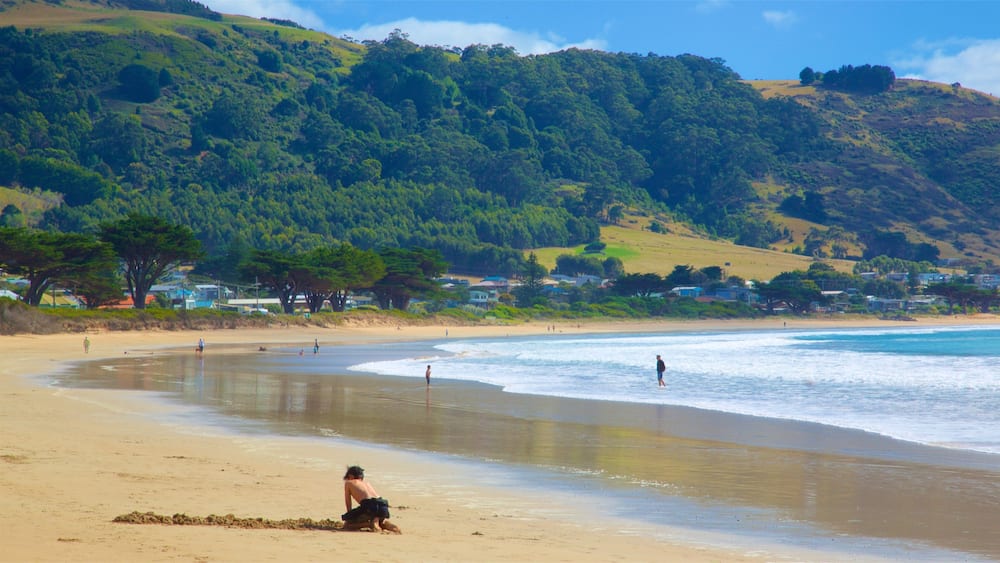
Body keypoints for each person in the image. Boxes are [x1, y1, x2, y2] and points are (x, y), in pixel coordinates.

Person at [341, 466, 401, 533]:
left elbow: (348, 502)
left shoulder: (349, 483)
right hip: (383, 505)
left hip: (370, 505)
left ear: (350, 476)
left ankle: (370, 524)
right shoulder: (367, 483)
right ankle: (391, 527)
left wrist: (349, 517)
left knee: (347, 526)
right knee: (380, 521)